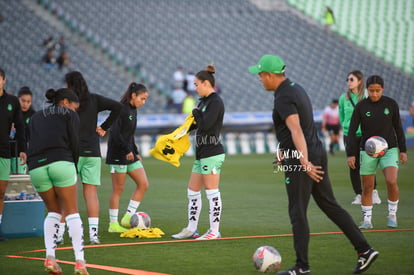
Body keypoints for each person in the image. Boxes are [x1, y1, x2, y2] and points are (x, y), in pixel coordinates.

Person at [248, 54, 378, 274]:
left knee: (297, 212)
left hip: (303, 158)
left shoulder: (283, 96)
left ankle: (301, 267)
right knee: (330, 205)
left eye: (260, 75)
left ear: (270, 75)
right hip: (313, 151)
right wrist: (285, 151)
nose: (259, 79)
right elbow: (297, 130)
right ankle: (364, 250)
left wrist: (303, 161)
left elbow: (296, 129)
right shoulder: (294, 88)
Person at [27, 88, 89, 275]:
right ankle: (80, 262)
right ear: (65, 102)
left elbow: (30, 140)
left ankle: (50, 258)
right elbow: (74, 142)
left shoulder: (36, 116)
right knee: (71, 211)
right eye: (74, 107)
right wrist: (74, 164)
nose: (75, 110)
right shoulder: (69, 115)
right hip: (61, 161)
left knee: (53, 211)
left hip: (36, 166)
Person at [62, 71, 122, 244]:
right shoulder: (94, 99)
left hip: (71, 152)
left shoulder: (68, 103)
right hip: (92, 152)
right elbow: (118, 107)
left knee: (66, 193)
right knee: (91, 193)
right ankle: (93, 236)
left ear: (68, 86)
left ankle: (59, 234)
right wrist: (104, 127)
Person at [171, 64, 225, 240]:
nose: (194, 88)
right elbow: (195, 124)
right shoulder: (203, 102)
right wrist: (177, 135)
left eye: (196, 84)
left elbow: (206, 125)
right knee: (192, 191)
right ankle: (191, 228)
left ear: (206, 83)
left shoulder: (215, 102)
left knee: (211, 191)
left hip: (212, 151)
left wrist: (195, 112)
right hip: (201, 152)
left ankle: (214, 231)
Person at [347, 75, 407, 229]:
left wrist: (403, 150)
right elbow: (352, 131)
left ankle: (392, 214)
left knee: (391, 181)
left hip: (390, 149)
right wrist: (351, 154)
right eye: (371, 91)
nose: (374, 94)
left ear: (383, 89)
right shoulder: (361, 107)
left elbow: (398, 128)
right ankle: (367, 220)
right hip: (367, 150)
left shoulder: (391, 104)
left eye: (377, 91)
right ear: (367, 90)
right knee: (367, 186)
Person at [106, 82, 150, 233]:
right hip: (118, 154)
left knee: (143, 184)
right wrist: (126, 150)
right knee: (118, 189)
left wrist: (135, 151)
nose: (143, 102)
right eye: (142, 99)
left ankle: (127, 218)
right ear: (133, 96)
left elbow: (129, 135)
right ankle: (113, 224)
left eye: (145, 100)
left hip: (129, 153)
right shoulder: (120, 109)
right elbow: (115, 133)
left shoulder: (133, 110)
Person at [339, 71, 381, 205]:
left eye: (351, 79)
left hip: (365, 135)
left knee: (368, 164)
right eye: (347, 79)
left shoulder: (367, 96)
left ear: (359, 81)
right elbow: (342, 116)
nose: (349, 82)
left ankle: (373, 192)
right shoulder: (343, 98)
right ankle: (358, 194)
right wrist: (346, 129)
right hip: (349, 136)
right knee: (353, 165)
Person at [0, 68, 26, 242]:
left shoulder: (12, 101)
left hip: (3, 151)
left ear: (4, 80)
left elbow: (20, 126)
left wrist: (23, 148)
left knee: (1, 192)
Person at [10, 86, 36, 174]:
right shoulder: (11, 112)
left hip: (23, 152)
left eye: (28, 102)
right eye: (23, 101)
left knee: (20, 178)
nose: (25, 104)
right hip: (8, 151)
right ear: (18, 99)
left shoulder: (33, 115)